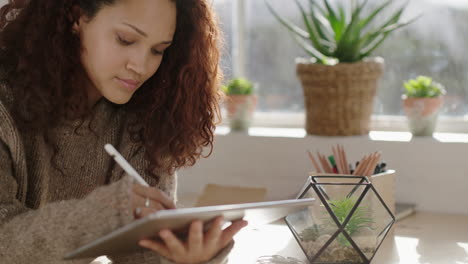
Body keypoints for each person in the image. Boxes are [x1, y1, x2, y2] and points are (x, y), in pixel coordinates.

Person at [0, 0, 247, 263]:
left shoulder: (145, 117)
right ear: (76, 17)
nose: (141, 66)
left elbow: (141, 256)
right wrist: (100, 214)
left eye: (158, 50)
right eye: (126, 40)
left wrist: (188, 255)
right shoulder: (5, 106)